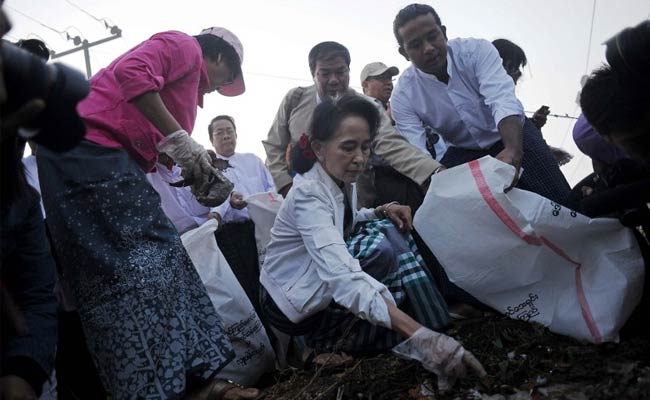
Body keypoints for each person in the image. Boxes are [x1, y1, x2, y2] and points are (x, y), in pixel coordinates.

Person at [35, 26, 259, 399]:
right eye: (225, 79)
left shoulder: (180, 91)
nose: (217, 88)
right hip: (90, 154)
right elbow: (132, 74)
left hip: (78, 160)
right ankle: (183, 384)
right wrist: (181, 140)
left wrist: (192, 165)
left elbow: (153, 145)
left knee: (110, 281)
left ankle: (152, 388)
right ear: (219, 58)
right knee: (158, 260)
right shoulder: (184, 46)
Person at [260, 95, 485, 387]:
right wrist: (419, 335)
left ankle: (398, 325)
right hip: (293, 304)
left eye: (365, 147)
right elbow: (343, 275)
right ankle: (327, 342)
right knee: (380, 244)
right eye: (348, 147)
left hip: (317, 284)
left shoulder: (340, 179)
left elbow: (346, 217)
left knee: (389, 227)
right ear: (318, 148)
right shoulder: (308, 195)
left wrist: (380, 209)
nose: (360, 158)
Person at [390, 4, 571, 206]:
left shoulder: (477, 51)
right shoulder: (402, 96)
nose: (429, 48)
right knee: (481, 223)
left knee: (561, 201)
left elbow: (501, 98)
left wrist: (512, 148)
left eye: (432, 36)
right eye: (415, 44)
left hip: (514, 135)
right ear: (403, 52)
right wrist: (438, 185)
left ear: (444, 32)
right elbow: (416, 151)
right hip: (463, 153)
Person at [262, 41, 442, 208]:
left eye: (340, 72)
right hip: (302, 202)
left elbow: (393, 145)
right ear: (313, 74)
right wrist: (285, 185)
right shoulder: (295, 100)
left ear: (349, 71)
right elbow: (274, 146)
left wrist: (433, 172)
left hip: (353, 206)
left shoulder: (367, 107)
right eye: (325, 73)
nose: (334, 80)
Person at [208, 114, 275, 318]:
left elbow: (271, 191)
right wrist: (229, 202)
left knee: (271, 280)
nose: (226, 136)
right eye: (220, 132)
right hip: (232, 236)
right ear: (212, 139)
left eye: (229, 131)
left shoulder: (253, 161)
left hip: (262, 231)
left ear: (236, 135)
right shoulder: (208, 168)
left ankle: (284, 335)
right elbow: (211, 201)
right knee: (248, 286)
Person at [492, 38, 572, 166]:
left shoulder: (510, 106)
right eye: (513, 66)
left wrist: (535, 124)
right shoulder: (489, 106)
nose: (518, 73)